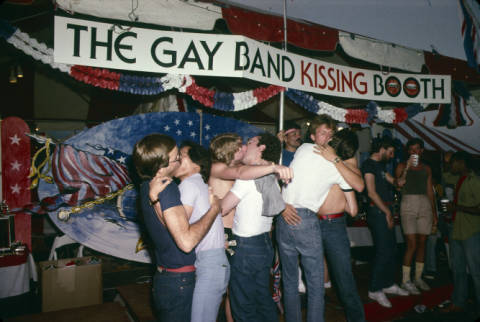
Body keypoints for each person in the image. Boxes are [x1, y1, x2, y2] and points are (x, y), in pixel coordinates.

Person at [278, 114, 358, 322]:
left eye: (331, 134)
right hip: (303, 218)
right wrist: (337, 160)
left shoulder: (303, 149)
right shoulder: (331, 164)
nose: (328, 138)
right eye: (323, 133)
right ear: (313, 136)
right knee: (314, 285)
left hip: (284, 215)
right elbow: (359, 185)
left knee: (290, 280)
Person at [132, 133, 220, 321]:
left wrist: (155, 201)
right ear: (162, 165)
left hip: (165, 278)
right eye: (176, 158)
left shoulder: (146, 186)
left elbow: (168, 228)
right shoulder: (168, 188)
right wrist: (214, 210)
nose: (179, 161)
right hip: (179, 281)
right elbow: (186, 242)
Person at [208, 133, 292, 322]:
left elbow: (222, 208)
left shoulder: (248, 177)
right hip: (264, 243)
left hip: (246, 247)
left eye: (250, 142)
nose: (246, 146)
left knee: (243, 303)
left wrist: (209, 197)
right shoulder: (270, 174)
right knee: (262, 298)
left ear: (261, 148)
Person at [313, 128, 366, 321]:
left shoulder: (346, 163)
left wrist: (335, 159)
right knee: (313, 277)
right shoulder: (328, 159)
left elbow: (360, 185)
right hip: (313, 222)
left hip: (334, 224)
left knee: (344, 279)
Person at [173, 141, 229, 322]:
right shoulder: (199, 185)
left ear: (197, 164)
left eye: (182, 156)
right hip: (213, 262)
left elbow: (181, 229)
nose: (177, 159)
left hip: (210, 264)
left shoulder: (188, 185)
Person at [362, 137, 409, 308]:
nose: (391, 156)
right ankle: (374, 289)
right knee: (383, 251)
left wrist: (406, 169)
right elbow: (372, 193)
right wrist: (387, 212)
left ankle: (388, 284)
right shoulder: (368, 165)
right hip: (377, 211)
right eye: (390, 152)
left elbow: (396, 183)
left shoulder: (381, 166)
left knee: (391, 249)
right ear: (382, 148)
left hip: (385, 211)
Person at [395, 138, 437, 294]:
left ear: (422, 151)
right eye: (411, 149)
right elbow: (398, 185)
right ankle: (406, 280)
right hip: (408, 204)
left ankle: (418, 277)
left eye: (417, 149)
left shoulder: (427, 169)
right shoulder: (401, 166)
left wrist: (434, 213)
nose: (414, 152)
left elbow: (430, 192)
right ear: (408, 152)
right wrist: (406, 167)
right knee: (411, 243)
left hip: (425, 204)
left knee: (422, 243)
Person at [441, 151, 480, 318]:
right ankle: (459, 302)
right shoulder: (458, 178)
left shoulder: (475, 181)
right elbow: (443, 177)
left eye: (453, 162)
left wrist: (456, 208)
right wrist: (444, 161)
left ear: (462, 163)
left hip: (471, 231)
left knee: (476, 272)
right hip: (457, 229)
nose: (451, 166)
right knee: (457, 269)